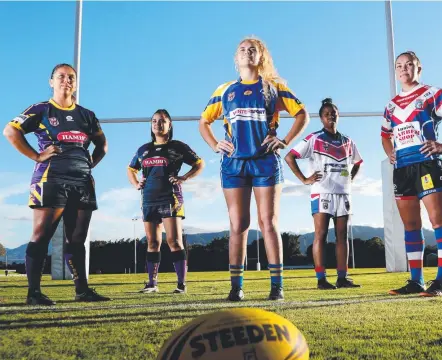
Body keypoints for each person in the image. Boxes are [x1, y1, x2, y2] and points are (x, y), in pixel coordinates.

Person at [199, 37, 309, 301]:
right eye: (242, 50)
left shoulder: (273, 88)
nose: (247, 53)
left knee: (268, 223)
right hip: (234, 164)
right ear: (236, 59)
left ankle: (277, 287)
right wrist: (215, 144)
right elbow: (204, 121)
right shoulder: (225, 90)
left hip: (265, 162)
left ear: (261, 57)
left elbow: (302, 113)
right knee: (238, 224)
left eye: (253, 50)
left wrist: (284, 141)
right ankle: (236, 288)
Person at [3, 63, 110, 305]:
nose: (66, 81)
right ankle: (34, 293)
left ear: (76, 82)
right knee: (42, 235)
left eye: (71, 77)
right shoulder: (41, 109)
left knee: (77, 238)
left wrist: (88, 163)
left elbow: (102, 145)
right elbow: (10, 131)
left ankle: (82, 290)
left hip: (82, 181)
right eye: (61, 76)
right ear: (51, 82)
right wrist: (37, 156)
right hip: (51, 178)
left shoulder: (87, 115)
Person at [381, 51, 442, 297]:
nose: (403, 69)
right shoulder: (390, 106)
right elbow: (384, 134)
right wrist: (390, 152)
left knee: (439, 221)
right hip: (402, 169)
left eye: (409, 65)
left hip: (427, 165)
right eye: (399, 65)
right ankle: (416, 281)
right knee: (411, 226)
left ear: (418, 68)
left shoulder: (432, 94)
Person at [285, 98, 363, 290]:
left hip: (343, 193)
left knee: (342, 235)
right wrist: (304, 179)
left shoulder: (348, 141)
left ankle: (342, 278)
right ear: (321, 118)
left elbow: (358, 162)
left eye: (334, 113)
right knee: (320, 234)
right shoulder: (314, 138)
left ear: (338, 115)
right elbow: (289, 157)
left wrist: (350, 179)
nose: (331, 116)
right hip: (322, 192)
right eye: (327, 114)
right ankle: (321, 279)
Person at [127, 109, 204, 294]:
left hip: (171, 197)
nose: (157, 124)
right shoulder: (143, 149)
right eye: (154, 121)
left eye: (162, 121)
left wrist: (183, 178)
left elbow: (199, 163)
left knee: (174, 241)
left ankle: (181, 285)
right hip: (148, 199)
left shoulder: (177, 146)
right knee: (152, 242)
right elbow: (131, 168)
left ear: (169, 125)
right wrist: (137, 183)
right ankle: (152, 284)